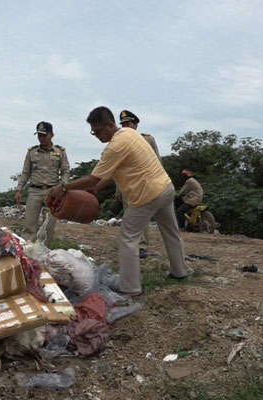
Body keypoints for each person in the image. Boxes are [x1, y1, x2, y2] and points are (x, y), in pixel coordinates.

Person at [61, 106, 190, 295]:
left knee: (127, 238)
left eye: (97, 131)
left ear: (110, 125)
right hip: (165, 188)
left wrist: (64, 187)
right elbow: (108, 175)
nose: (96, 136)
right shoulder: (130, 133)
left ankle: (130, 287)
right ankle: (180, 272)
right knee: (171, 232)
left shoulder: (114, 146)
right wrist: (96, 189)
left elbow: (93, 178)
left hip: (147, 196)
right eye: (93, 132)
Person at [15, 121, 69, 245]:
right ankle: (27, 253)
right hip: (34, 191)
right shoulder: (32, 152)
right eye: (39, 135)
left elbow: (65, 171)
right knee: (29, 225)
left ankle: (44, 253)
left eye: (44, 135)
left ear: (52, 135)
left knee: (49, 226)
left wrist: (62, 187)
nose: (41, 138)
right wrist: (19, 189)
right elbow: (25, 172)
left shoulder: (60, 152)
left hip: (52, 192)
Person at [117, 110, 162, 258]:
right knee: (128, 216)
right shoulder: (119, 142)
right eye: (123, 124)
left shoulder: (147, 139)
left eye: (128, 123)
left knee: (141, 216)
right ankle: (131, 245)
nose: (125, 126)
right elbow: (118, 167)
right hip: (126, 185)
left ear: (136, 125)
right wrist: (118, 188)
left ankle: (142, 246)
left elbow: (157, 162)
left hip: (144, 184)